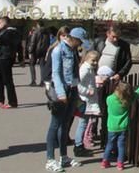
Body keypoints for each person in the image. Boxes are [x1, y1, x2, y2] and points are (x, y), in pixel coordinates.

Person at [45, 27, 87, 172]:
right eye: (79, 41)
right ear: (73, 38)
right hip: (61, 90)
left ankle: (64, 156)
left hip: (73, 89)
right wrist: (61, 93)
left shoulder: (73, 50)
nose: (80, 44)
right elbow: (56, 73)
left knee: (65, 124)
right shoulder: (58, 50)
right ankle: (50, 158)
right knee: (55, 124)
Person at [94, 24, 132, 145]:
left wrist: (119, 74)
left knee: (110, 108)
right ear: (108, 34)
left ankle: (106, 136)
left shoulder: (123, 45)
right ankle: (95, 132)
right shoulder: (99, 42)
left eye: (117, 37)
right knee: (98, 108)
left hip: (113, 81)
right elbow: (90, 56)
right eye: (113, 37)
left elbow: (128, 62)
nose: (116, 40)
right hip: (98, 80)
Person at [74, 50, 101, 157]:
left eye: (96, 61)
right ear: (87, 59)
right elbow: (78, 84)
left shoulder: (90, 69)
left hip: (88, 99)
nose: (95, 63)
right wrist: (87, 91)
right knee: (82, 123)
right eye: (93, 60)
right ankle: (78, 145)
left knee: (84, 123)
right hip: (85, 100)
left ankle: (80, 145)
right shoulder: (85, 69)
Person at [101, 81, 131, 170]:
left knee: (109, 145)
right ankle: (120, 164)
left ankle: (105, 162)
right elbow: (135, 95)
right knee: (121, 146)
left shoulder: (109, 99)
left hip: (112, 127)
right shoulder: (126, 101)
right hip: (123, 127)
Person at [0, 17, 20, 108]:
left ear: (4, 23)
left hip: (5, 57)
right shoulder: (14, 32)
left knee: (7, 80)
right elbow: (19, 46)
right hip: (6, 56)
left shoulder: (8, 32)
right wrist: (21, 58)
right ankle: (0, 99)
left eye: (0, 23)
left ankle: (12, 102)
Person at [27, 21, 48, 86]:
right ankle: (42, 81)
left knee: (32, 64)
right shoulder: (46, 32)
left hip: (35, 50)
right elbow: (48, 42)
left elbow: (33, 42)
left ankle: (33, 80)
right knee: (42, 66)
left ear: (38, 25)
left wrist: (30, 50)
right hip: (43, 50)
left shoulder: (36, 32)